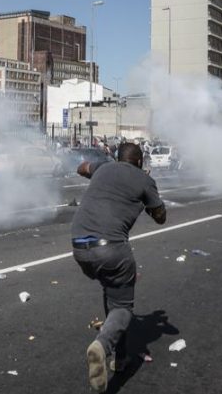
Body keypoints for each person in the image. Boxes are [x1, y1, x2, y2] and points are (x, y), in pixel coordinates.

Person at [71, 142, 166, 393]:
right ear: (139, 162)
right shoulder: (143, 179)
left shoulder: (103, 167)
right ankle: (102, 346)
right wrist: (147, 195)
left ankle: (120, 358)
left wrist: (90, 170)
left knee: (112, 290)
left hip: (79, 246)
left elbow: (82, 167)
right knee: (123, 307)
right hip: (111, 249)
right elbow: (160, 217)